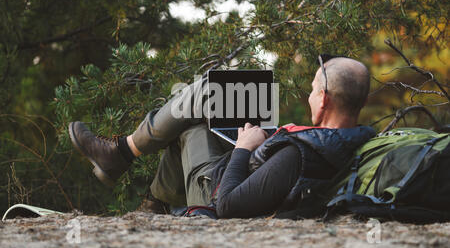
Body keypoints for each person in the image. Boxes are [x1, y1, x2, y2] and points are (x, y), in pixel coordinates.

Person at [69, 55, 376, 218]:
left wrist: (243, 147)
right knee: (212, 93)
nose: (308, 96)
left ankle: (122, 155)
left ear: (323, 100)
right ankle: (147, 197)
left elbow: (228, 205)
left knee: (198, 105)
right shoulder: (351, 139)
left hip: (215, 196)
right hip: (247, 168)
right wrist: (264, 138)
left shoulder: (301, 154)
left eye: (312, 89)